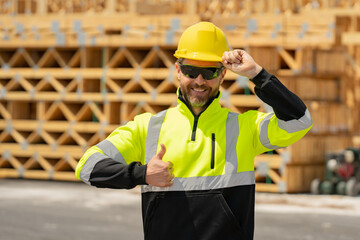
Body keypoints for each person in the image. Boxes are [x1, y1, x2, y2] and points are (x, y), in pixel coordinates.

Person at [75, 22, 312, 240]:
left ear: (222, 74)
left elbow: (299, 121)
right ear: (178, 70)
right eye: (190, 71)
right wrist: (142, 173)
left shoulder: (244, 128)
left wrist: (257, 74)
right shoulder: (147, 128)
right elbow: (87, 167)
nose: (199, 80)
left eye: (208, 72)